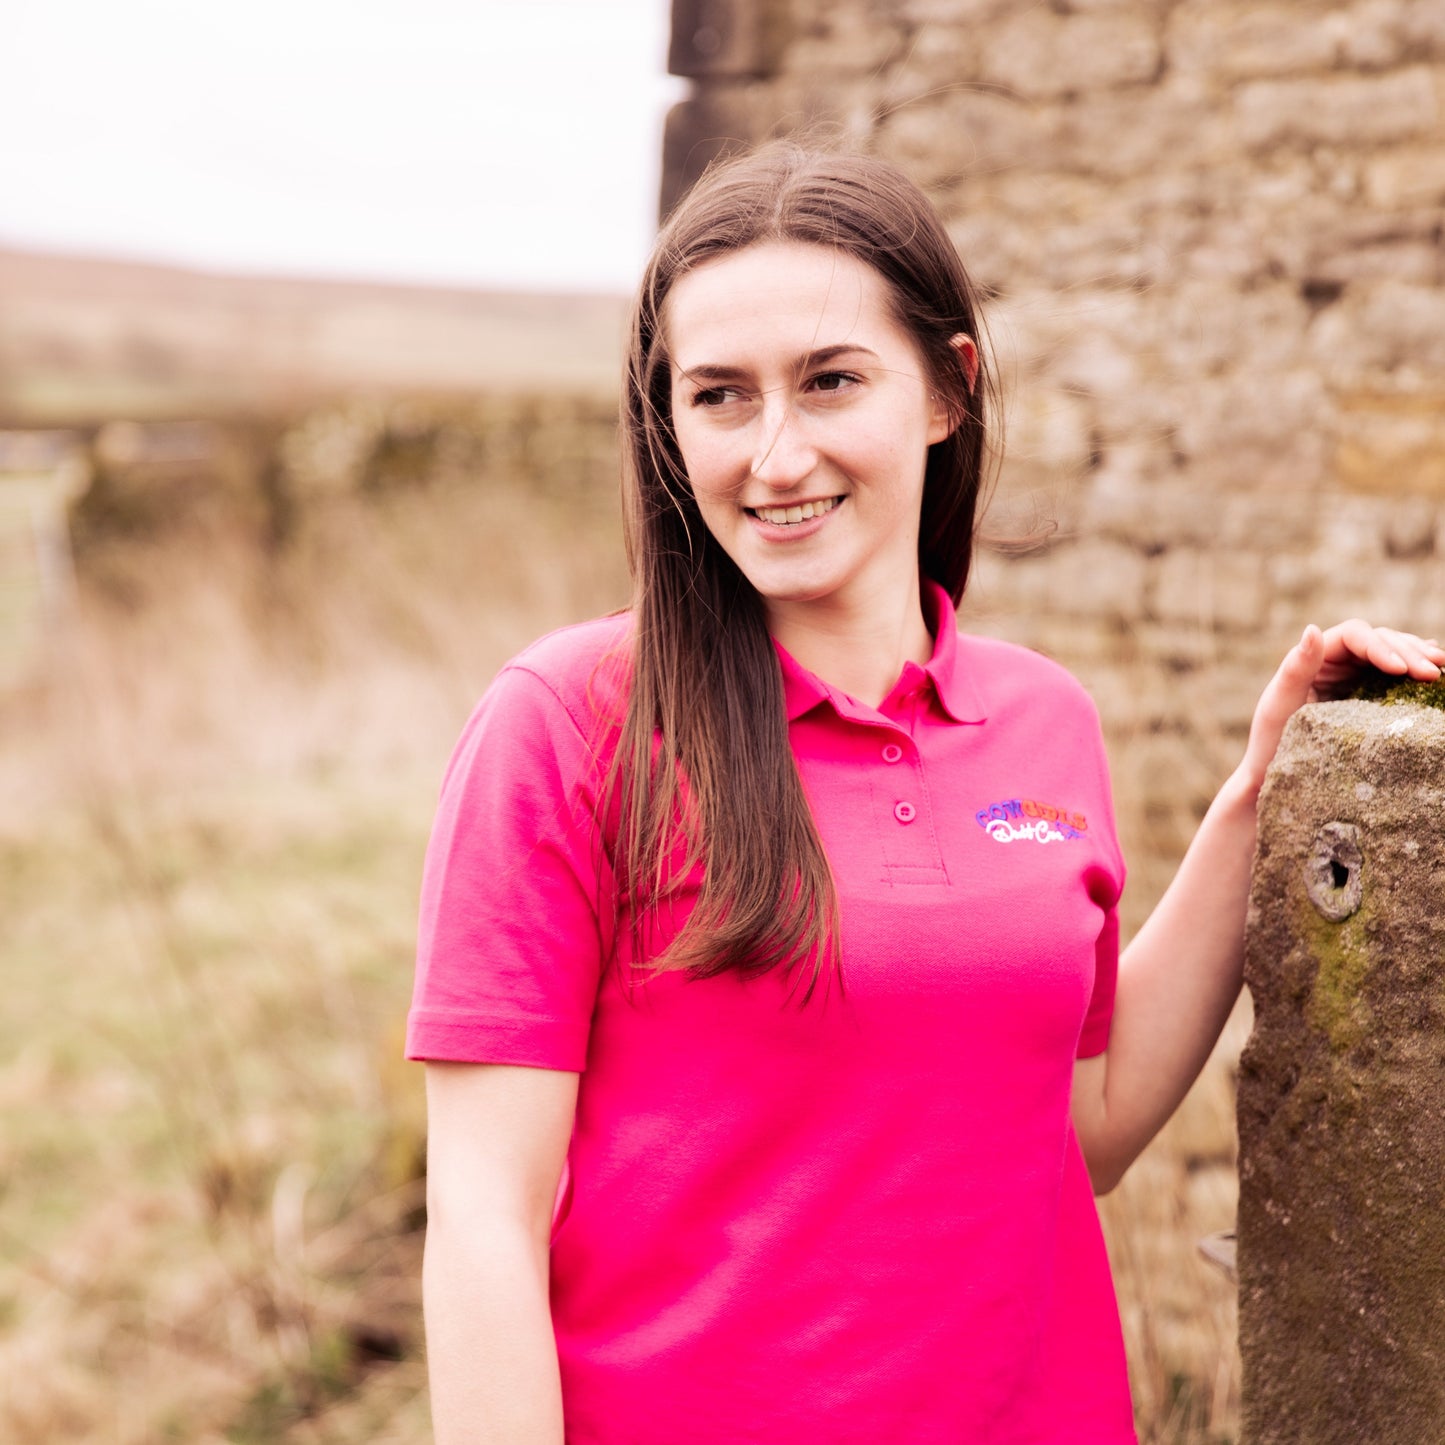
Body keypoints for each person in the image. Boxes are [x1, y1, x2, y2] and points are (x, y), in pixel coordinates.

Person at [406, 144, 1443, 1444]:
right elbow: (485, 1217)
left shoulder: (1040, 720)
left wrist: (1259, 789)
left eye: (830, 381)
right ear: (664, 423)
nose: (776, 454)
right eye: (719, 396)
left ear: (948, 390)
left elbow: (1081, 1128)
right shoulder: (565, 724)